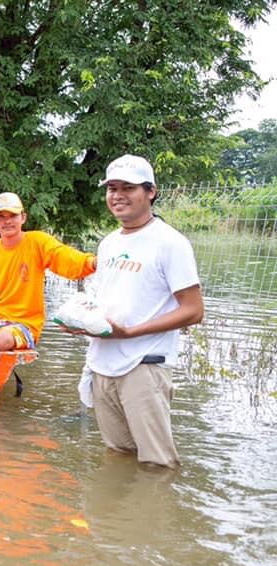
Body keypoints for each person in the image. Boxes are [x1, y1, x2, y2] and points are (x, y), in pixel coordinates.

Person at [82, 154, 203, 468]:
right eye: (112, 188)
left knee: (157, 464)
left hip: (143, 366)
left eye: (128, 187)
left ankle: (154, 515)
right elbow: (109, 300)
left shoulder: (170, 243)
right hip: (103, 364)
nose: (118, 195)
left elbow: (193, 310)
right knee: (118, 456)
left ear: (151, 191)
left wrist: (131, 333)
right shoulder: (108, 243)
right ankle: (119, 518)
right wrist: (82, 320)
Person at [0, 192, 97, 351]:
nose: (7, 221)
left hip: (23, 325)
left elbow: (64, 257)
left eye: (13, 215)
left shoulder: (37, 241)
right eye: (1, 216)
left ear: (23, 217)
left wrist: (92, 263)